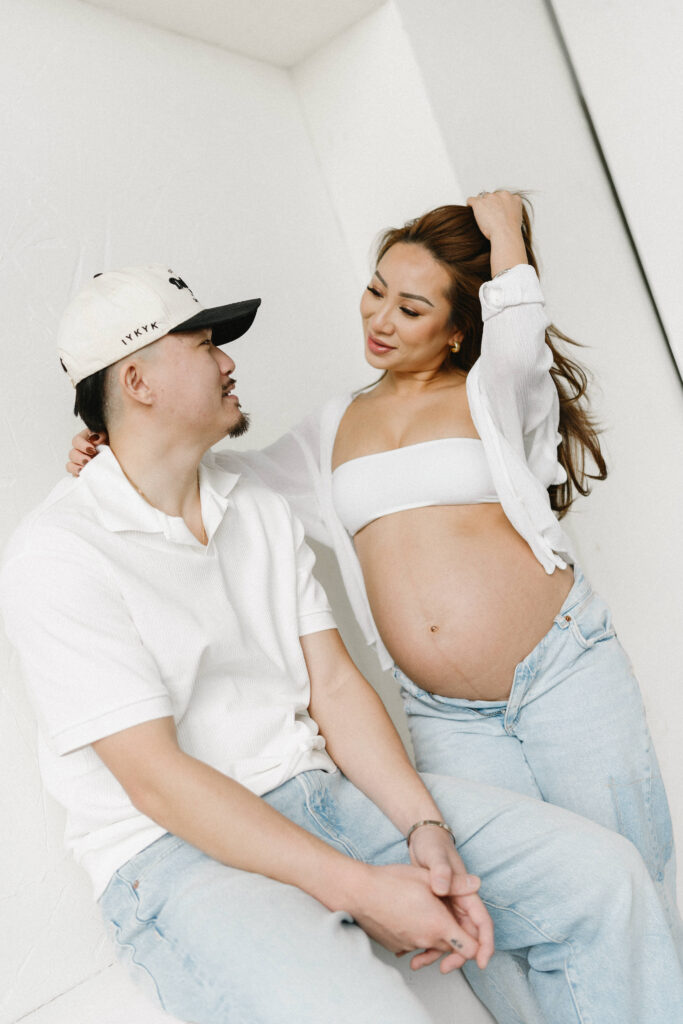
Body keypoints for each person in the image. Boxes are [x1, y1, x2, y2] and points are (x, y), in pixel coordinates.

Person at [4, 264, 682, 1024]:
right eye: (203, 345)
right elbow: (156, 780)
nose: (229, 362)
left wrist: (420, 826)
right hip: (174, 854)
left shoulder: (253, 502)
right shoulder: (57, 553)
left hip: (321, 796)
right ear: (137, 381)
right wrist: (359, 889)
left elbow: (331, 685)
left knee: (606, 881)